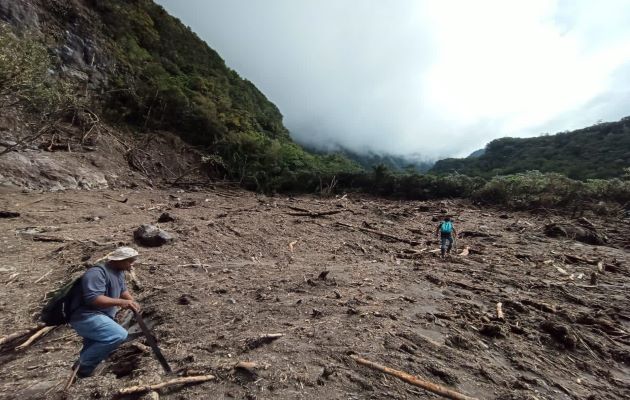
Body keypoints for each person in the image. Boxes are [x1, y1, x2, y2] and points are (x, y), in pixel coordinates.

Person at [69, 247, 141, 377]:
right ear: (118, 260)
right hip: (85, 316)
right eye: (129, 261)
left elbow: (122, 290)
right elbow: (94, 299)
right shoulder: (97, 273)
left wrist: (131, 301)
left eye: (132, 260)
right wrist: (121, 302)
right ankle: (82, 367)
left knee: (93, 345)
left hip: (101, 316)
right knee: (118, 335)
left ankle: (81, 376)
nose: (132, 264)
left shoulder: (119, 272)